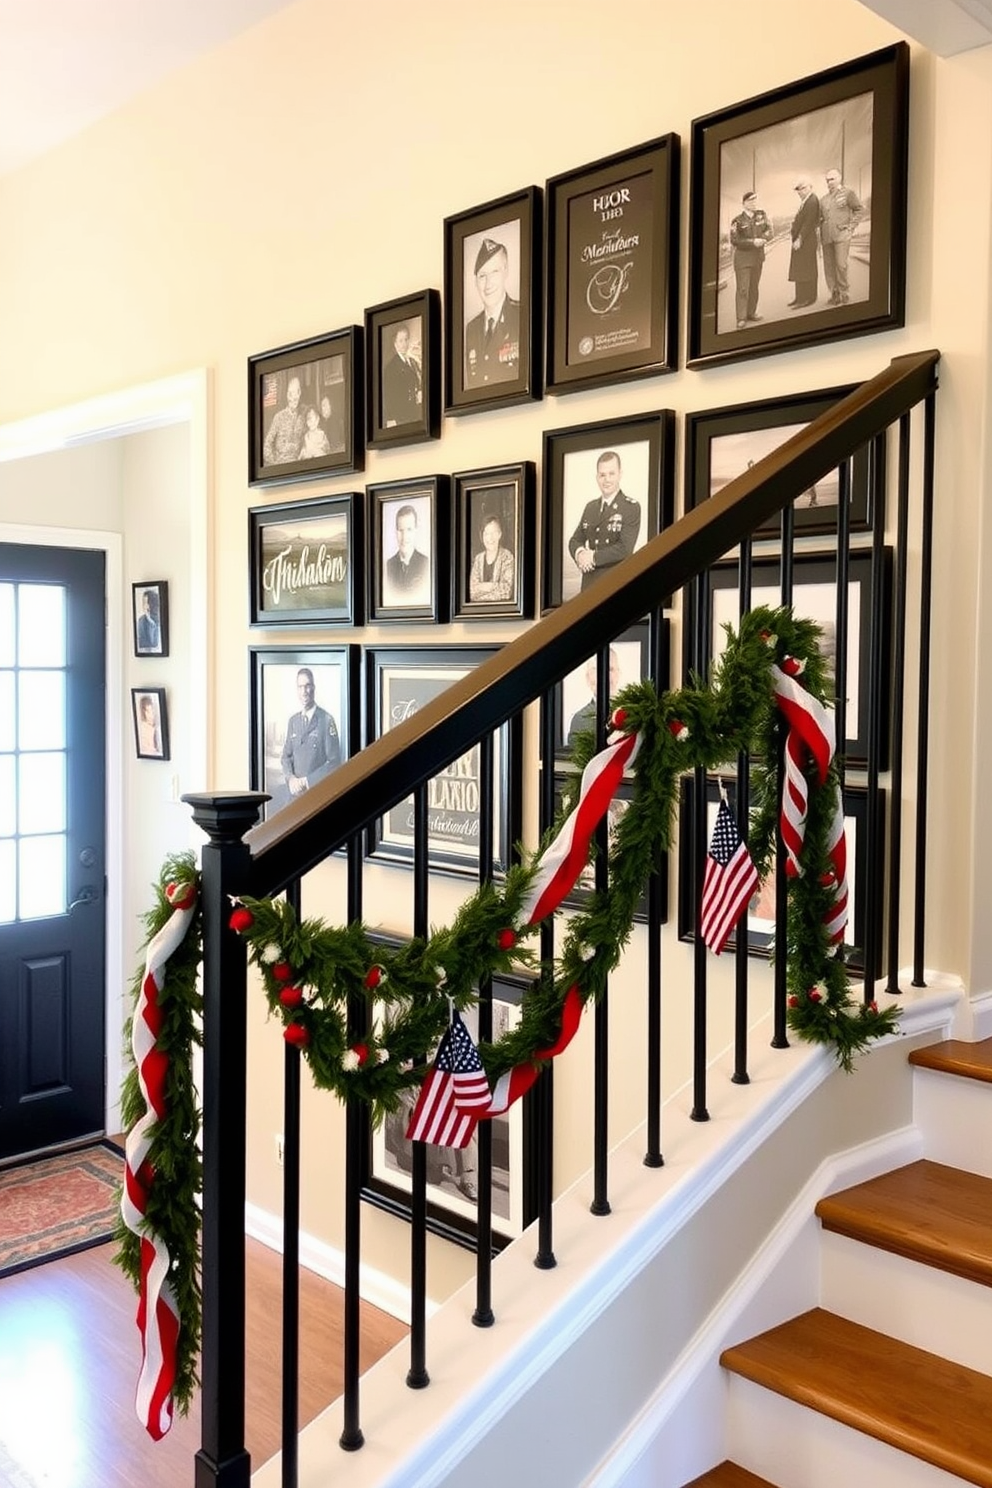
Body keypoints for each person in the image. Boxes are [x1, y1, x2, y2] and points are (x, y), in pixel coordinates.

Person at [567, 450, 642, 591]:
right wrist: (580, 554)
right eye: (602, 475)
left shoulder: (631, 507)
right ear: (597, 477)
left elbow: (625, 549)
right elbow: (575, 540)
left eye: (611, 474)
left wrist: (593, 557)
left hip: (615, 587)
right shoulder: (590, 508)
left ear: (620, 474)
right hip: (589, 587)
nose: (606, 479)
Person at [464, 237, 519, 388]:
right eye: (482, 276)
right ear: (475, 281)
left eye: (494, 272)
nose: (488, 284)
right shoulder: (471, 329)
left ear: (506, 271)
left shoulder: (521, 317)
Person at [280, 667, 341, 797]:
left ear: (313, 688)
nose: (304, 692)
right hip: (293, 797)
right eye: (300, 687)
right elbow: (286, 757)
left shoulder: (326, 720)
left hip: (317, 795)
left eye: (307, 686)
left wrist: (308, 781)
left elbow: (334, 762)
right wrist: (291, 779)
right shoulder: (293, 721)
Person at [819, 167, 864, 306]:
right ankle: (834, 293)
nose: (829, 182)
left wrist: (851, 227)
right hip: (827, 237)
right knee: (829, 267)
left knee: (841, 264)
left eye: (832, 179)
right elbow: (821, 217)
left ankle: (844, 292)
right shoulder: (824, 199)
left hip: (841, 236)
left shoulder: (848, 193)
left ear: (839, 178)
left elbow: (859, 209)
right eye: (827, 180)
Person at [729, 190, 773, 329]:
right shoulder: (737, 221)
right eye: (750, 201)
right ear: (744, 204)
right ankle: (741, 318)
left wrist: (763, 239)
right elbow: (735, 240)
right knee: (743, 289)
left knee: (754, 287)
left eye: (755, 200)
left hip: (757, 258)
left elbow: (770, 231)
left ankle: (751, 313)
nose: (754, 203)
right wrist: (753, 242)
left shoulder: (762, 215)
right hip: (742, 260)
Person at [567, 648, 622, 746]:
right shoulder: (579, 720)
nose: (606, 676)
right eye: (599, 669)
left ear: (618, 674)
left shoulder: (633, 715)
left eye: (611, 669)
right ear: (588, 678)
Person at [384, 502, 430, 604]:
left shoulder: (426, 563)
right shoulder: (388, 565)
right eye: (401, 530)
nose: (404, 537)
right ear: (396, 532)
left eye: (409, 529)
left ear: (415, 530)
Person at [788, 179, 821, 309]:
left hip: (806, 240)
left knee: (807, 268)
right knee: (799, 268)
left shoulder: (812, 201)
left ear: (810, 187)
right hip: (801, 240)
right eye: (798, 189)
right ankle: (799, 297)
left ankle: (809, 298)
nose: (800, 191)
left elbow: (808, 223)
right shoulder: (805, 202)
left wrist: (799, 238)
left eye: (803, 188)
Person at [382, 322, 422, 426]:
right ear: (395, 344)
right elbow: (389, 397)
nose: (404, 344)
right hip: (401, 417)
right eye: (400, 341)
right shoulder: (391, 367)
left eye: (406, 339)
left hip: (414, 413)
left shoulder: (412, 362)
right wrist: (391, 419)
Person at [468, 514, 515, 603]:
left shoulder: (507, 557)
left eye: (493, 533)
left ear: (500, 534)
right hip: (477, 610)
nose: (490, 538)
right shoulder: (478, 559)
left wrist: (487, 586)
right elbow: (471, 591)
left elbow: (507, 591)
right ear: (482, 536)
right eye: (486, 534)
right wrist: (495, 587)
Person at [263, 374, 305, 465]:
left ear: (300, 393)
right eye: (290, 393)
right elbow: (267, 445)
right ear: (287, 395)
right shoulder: (279, 417)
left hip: (298, 466)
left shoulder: (303, 417)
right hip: (281, 464)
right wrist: (274, 463)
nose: (294, 397)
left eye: (297, 392)